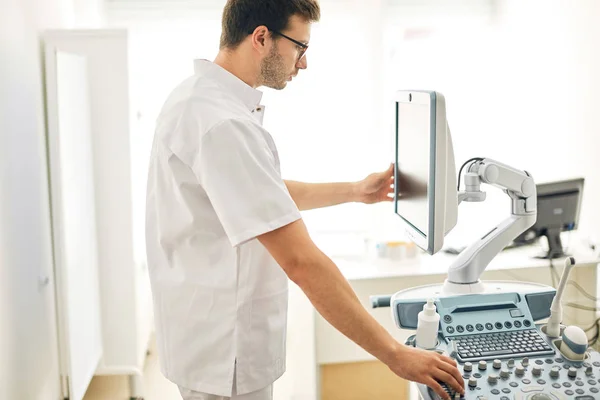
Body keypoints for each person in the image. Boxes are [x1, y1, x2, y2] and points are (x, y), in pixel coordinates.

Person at [144, 1, 465, 399]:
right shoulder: (222, 123)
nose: (304, 63)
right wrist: (395, 354)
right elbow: (302, 262)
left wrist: (354, 191)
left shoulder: (196, 97)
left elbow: (258, 192)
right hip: (225, 349)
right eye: (300, 47)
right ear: (261, 37)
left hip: (204, 331)